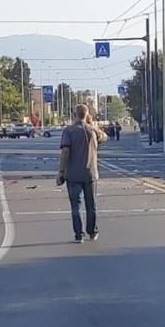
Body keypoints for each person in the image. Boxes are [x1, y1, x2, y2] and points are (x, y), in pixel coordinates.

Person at [58, 104, 108, 243]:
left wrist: (61, 172)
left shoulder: (69, 131)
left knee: (76, 205)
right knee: (91, 205)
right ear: (87, 115)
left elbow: (65, 151)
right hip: (90, 173)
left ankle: (79, 234)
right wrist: (91, 124)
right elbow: (105, 137)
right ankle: (92, 231)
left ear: (74, 114)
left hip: (73, 174)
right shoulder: (93, 131)